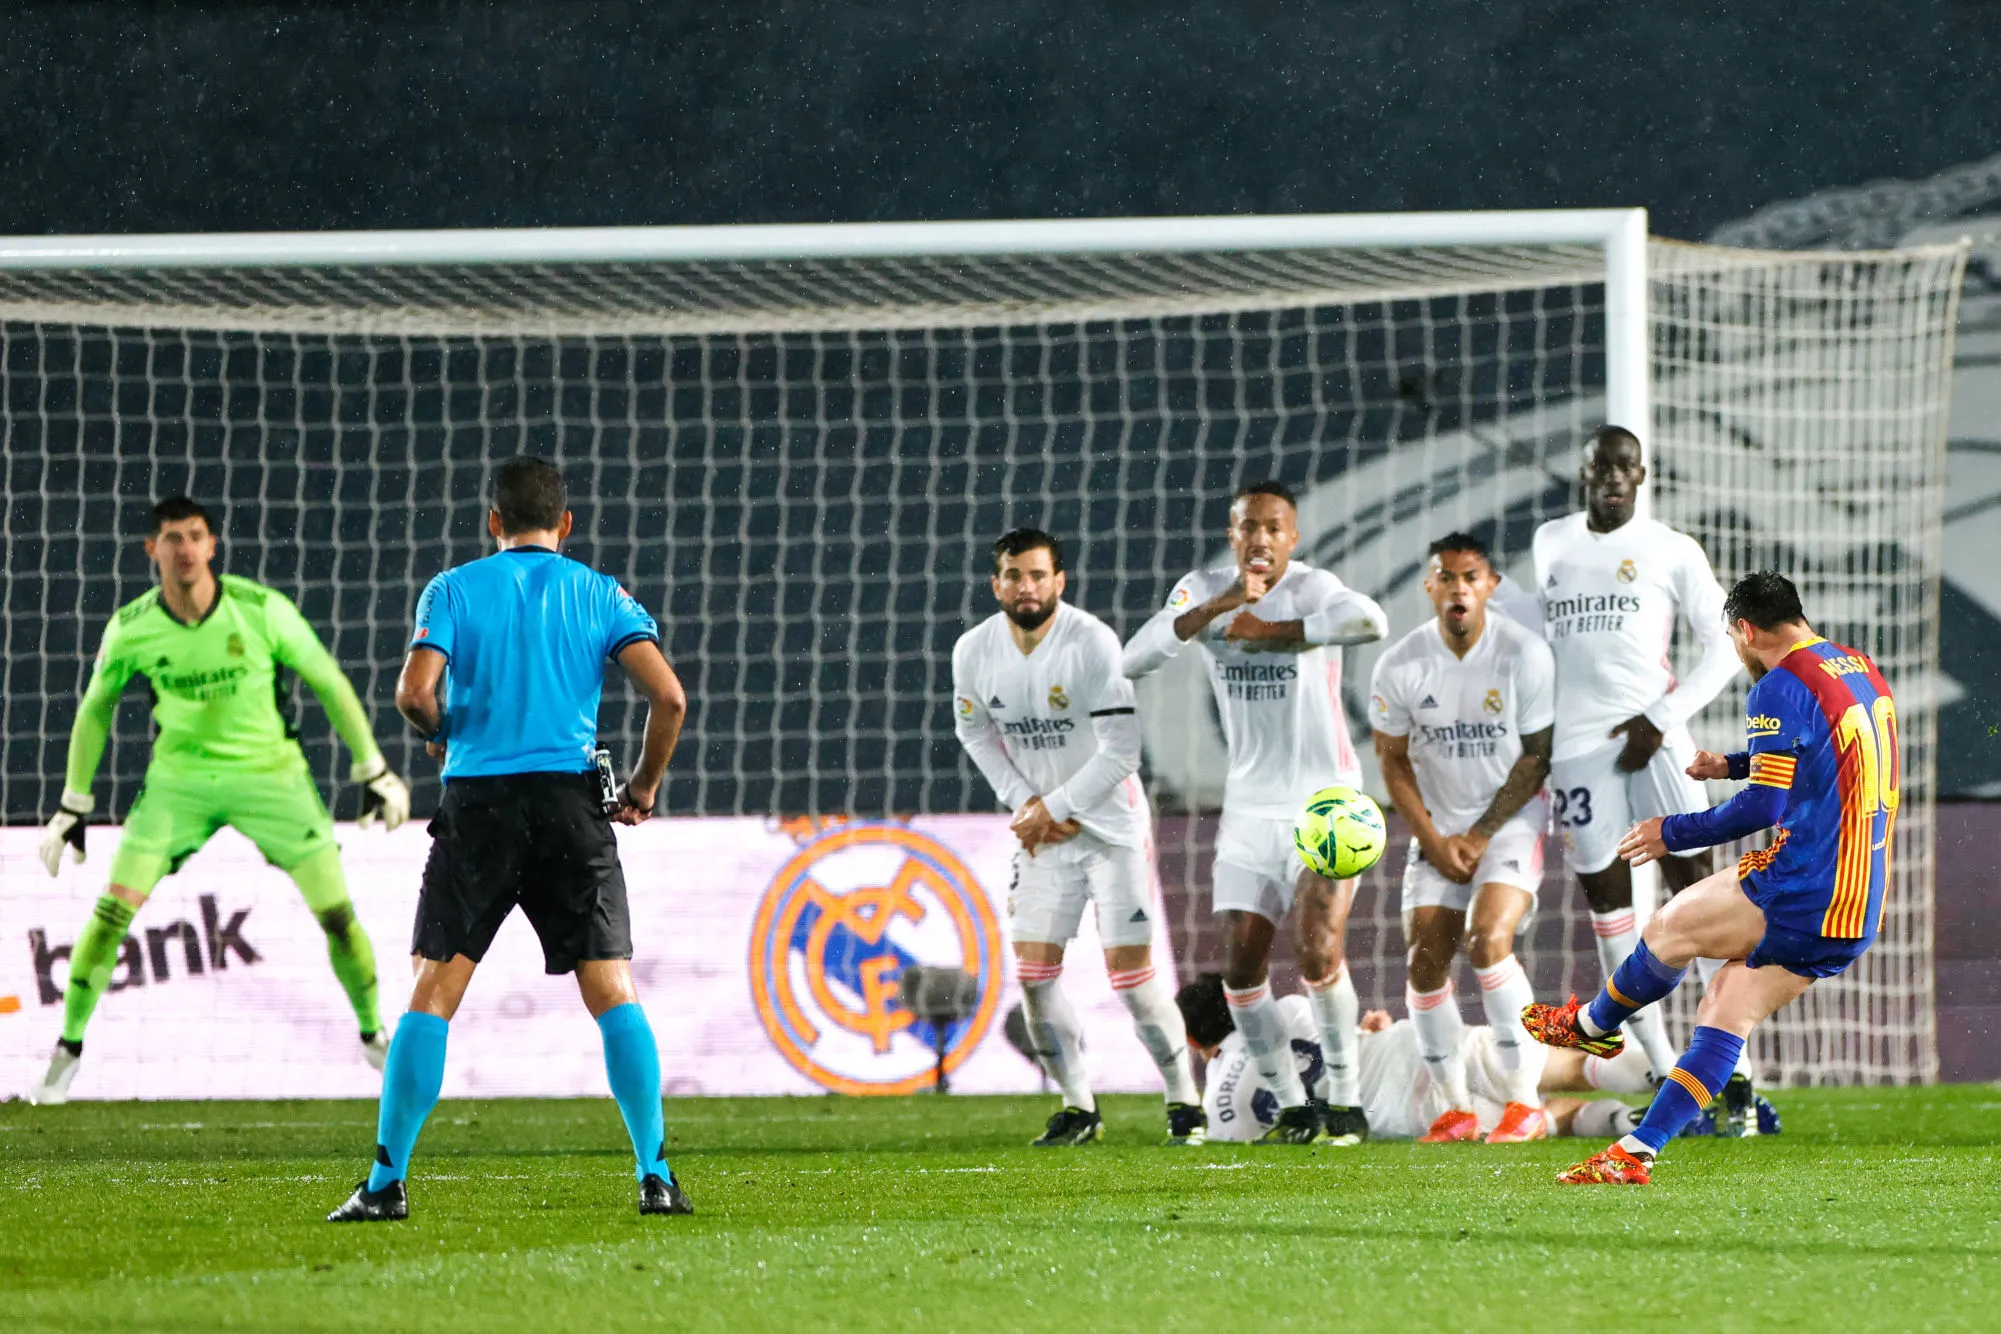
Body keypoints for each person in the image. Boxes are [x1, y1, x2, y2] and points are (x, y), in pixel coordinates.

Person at [327, 457, 690, 1222]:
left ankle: (386, 1184)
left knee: (433, 991)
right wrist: (646, 788)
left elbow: (413, 694)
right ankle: (654, 1176)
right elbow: (669, 696)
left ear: (493, 522)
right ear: (566, 524)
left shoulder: (453, 589)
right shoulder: (600, 593)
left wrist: (443, 731)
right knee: (611, 989)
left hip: (481, 808)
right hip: (570, 809)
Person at [30, 496, 410, 1104]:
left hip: (273, 779)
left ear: (212, 546)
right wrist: (73, 804)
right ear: (151, 550)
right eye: (172, 538)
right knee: (110, 914)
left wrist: (374, 770)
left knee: (338, 916)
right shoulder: (131, 627)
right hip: (178, 784)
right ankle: (67, 1050)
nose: (185, 549)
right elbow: (93, 712)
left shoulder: (261, 610)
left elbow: (330, 682)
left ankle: (374, 1034)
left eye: (196, 536)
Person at [1526, 571, 1894, 1184]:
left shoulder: (1780, 685)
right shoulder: (1856, 666)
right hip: (1859, 904)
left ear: (1746, 630)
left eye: (1732, 638)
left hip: (1806, 885)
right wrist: (1733, 762)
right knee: (1726, 1007)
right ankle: (1634, 1155)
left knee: (1668, 928)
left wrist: (1669, 832)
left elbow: (1761, 810)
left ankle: (1592, 1027)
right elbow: (1825, 748)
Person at [1123, 481, 1388, 1145]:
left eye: (1274, 528)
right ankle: (1292, 1101)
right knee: (1241, 967)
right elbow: (1134, 658)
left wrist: (1274, 630)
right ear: (1232, 533)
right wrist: (1222, 606)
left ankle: (1347, 1100)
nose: (1260, 540)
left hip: (1326, 803)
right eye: (1248, 528)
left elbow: (1370, 622)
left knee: (1316, 950)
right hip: (1247, 808)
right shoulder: (1202, 589)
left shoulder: (1313, 588)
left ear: (1291, 538)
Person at [952, 529, 1202, 1146]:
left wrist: (1054, 806)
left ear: (1059, 583)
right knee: (1035, 977)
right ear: (997, 584)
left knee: (1131, 980)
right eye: (1014, 575)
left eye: (1038, 576)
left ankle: (1184, 1103)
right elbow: (976, 734)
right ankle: (1078, 1106)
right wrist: (1028, 806)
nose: (1026, 587)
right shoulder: (973, 651)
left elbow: (1122, 752)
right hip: (1044, 835)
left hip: (1113, 831)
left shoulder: (1091, 642)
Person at [1533, 425, 1742, 1087]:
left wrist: (1661, 717)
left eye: (1625, 467)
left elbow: (1726, 645)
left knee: (1697, 888)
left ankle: (1728, 1070)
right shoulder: (1549, 542)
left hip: (1655, 741)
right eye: (1601, 467)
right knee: (1606, 900)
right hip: (1575, 749)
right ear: (1584, 473)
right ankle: (1660, 1065)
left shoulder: (1669, 549)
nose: (1613, 477)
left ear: (1642, 476)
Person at [1370, 533, 1556, 1143]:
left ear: (1490, 586)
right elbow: (1392, 761)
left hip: (1509, 822)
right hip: (1438, 830)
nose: (1458, 588)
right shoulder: (1400, 664)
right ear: (1429, 586)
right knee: (1424, 961)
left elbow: (1536, 759)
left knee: (1486, 939)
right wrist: (1433, 837)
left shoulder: (1523, 654)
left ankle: (1524, 1104)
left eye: (1470, 577)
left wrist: (1476, 835)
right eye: (1445, 577)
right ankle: (1454, 1110)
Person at [1173, 973, 1653, 1144]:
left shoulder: (1219, 1109)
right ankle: (1677, 1078)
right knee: (1554, 1068)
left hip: (1398, 1111)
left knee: (1551, 1120)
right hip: (1413, 1049)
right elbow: (1339, 1039)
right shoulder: (1287, 1011)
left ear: (1193, 1042)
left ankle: (1626, 1121)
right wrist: (1364, 1030)